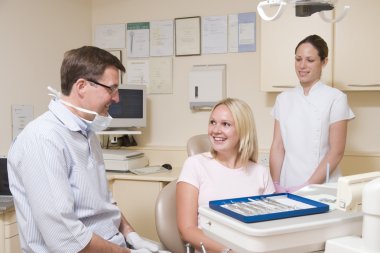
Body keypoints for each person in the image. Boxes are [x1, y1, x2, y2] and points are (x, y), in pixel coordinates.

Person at [7, 46, 162, 253]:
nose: (116, 98)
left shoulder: (86, 131)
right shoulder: (43, 139)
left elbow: (103, 205)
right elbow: (64, 239)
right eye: (111, 89)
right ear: (81, 86)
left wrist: (131, 235)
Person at [177, 98, 275, 253]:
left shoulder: (260, 173)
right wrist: (227, 251)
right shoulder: (195, 165)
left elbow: (271, 226)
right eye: (212, 122)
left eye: (226, 124)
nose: (215, 130)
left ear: (243, 130)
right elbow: (187, 230)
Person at [270, 34, 355, 193]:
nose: (302, 66)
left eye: (310, 60)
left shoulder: (336, 98)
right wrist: (275, 183)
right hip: (286, 184)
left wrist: (308, 185)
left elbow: (336, 151)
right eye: (298, 59)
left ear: (324, 62)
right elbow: (277, 146)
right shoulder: (283, 99)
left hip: (322, 186)